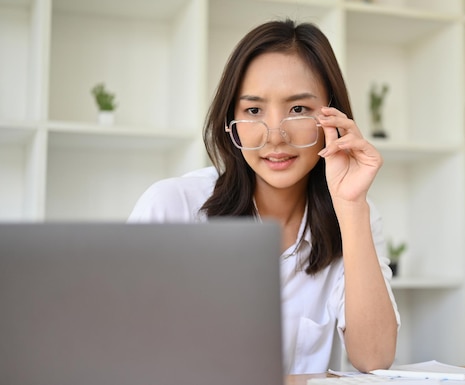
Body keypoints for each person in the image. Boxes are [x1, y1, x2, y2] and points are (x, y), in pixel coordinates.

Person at [128, 19, 399, 374]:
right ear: (231, 122)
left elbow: (374, 358)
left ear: (332, 117)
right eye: (253, 111)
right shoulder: (172, 206)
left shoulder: (356, 216)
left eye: (298, 109)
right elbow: (124, 356)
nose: (275, 137)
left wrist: (350, 208)